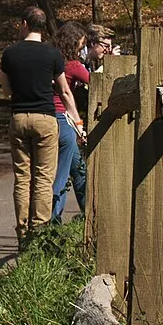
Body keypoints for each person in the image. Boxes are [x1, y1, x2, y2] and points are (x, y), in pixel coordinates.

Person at [0, 6, 75, 244]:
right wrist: (77, 119)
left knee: (22, 178)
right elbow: (63, 90)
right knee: (43, 179)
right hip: (45, 119)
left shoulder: (10, 54)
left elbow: (6, 89)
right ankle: (38, 235)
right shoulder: (53, 55)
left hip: (19, 118)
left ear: (24, 24)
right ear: (42, 27)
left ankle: (22, 233)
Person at [50, 21, 93, 221]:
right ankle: (54, 221)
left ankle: (90, 214)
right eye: (81, 45)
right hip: (63, 119)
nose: (81, 49)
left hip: (49, 117)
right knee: (62, 174)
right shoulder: (73, 66)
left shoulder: (53, 60)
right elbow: (94, 80)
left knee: (78, 168)